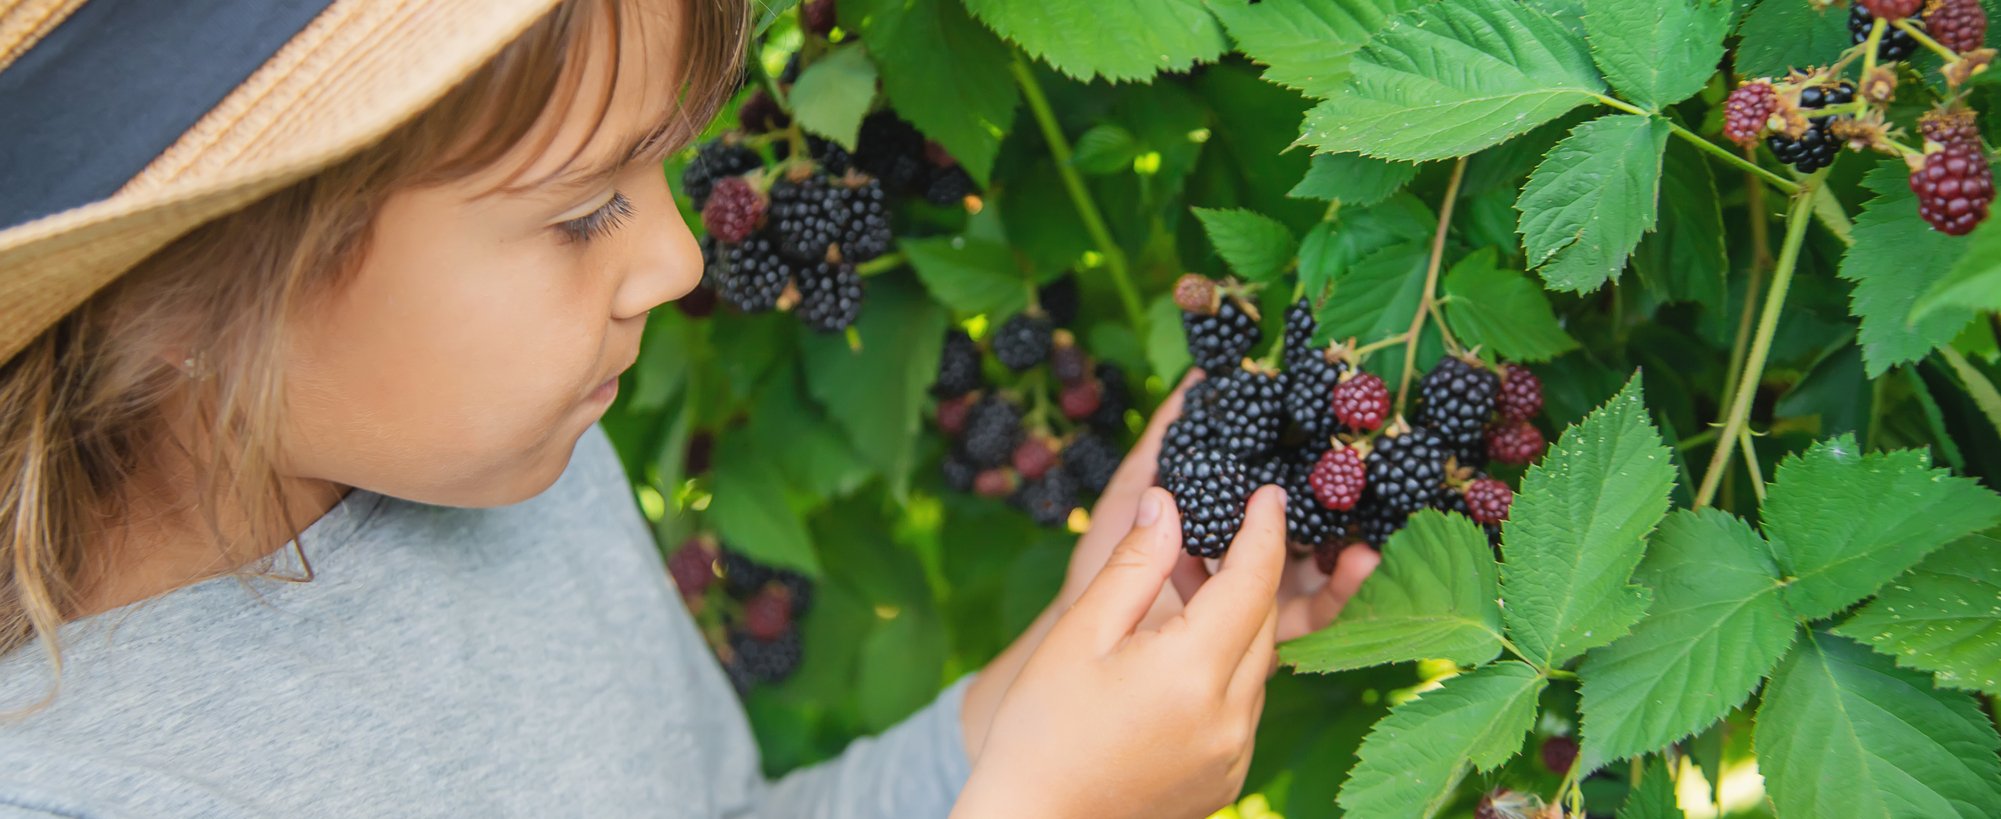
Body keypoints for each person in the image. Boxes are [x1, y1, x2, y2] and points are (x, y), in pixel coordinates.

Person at [0, 0, 1380, 816]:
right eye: (582, 210)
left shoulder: (502, 472)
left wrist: (1028, 714)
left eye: (670, 173)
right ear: (183, 300)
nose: (674, 259)